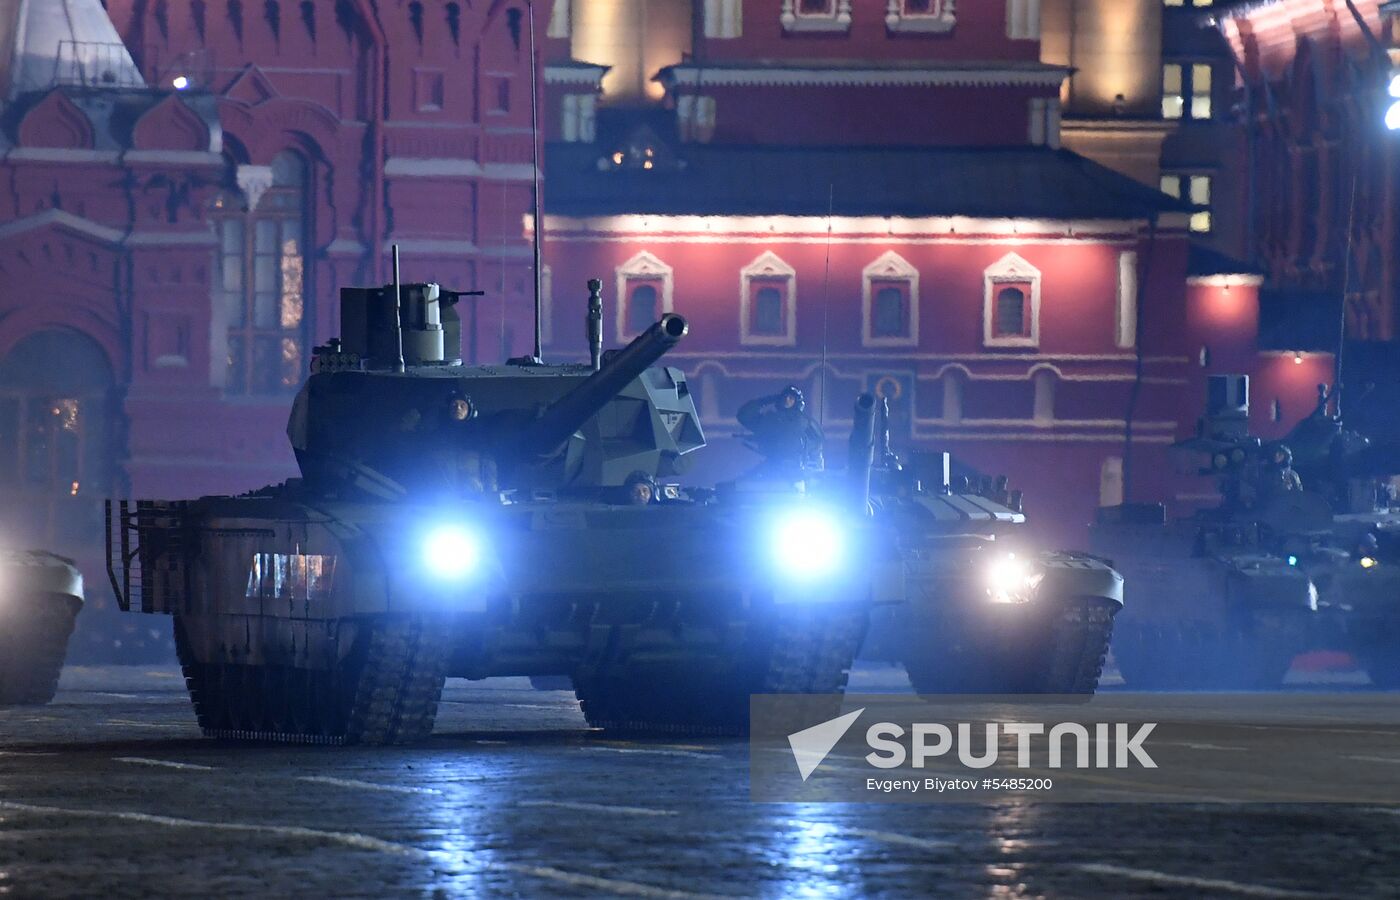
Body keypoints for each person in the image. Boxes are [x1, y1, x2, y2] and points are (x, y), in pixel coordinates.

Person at [736, 385, 824, 476]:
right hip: (772, 469)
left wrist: (817, 474)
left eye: (791, 398)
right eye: (784, 397)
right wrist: (767, 400)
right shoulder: (770, 420)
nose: (787, 400)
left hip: (797, 471)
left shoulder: (805, 423)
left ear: (797, 401)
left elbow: (816, 448)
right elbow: (744, 415)